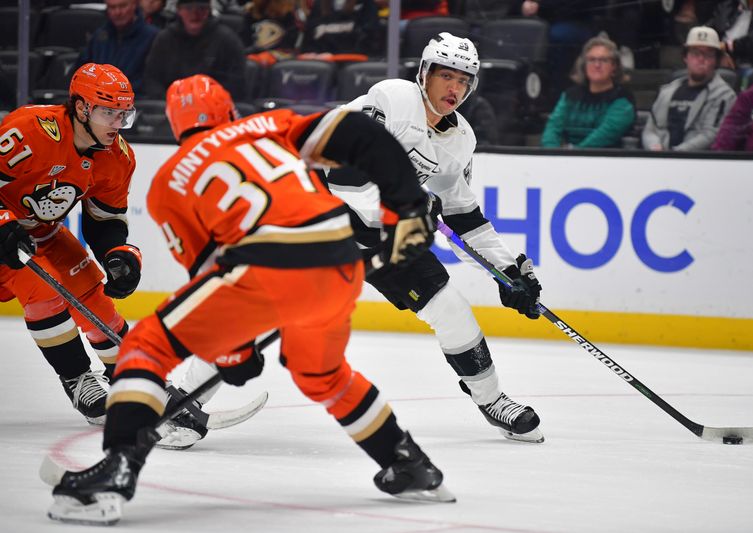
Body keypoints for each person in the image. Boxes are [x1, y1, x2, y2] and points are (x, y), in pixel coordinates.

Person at [46, 74, 452, 525]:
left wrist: (233, 349)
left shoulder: (168, 184)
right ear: (231, 113)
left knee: (145, 346)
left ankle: (114, 472)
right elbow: (361, 133)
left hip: (265, 263)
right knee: (322, 373)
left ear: (177, 128)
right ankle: (407, 462)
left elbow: (212, 275)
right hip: (338, 258)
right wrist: (408, 207)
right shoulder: (270, 125)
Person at [324, 33, 545, 443]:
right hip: (316, 222)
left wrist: (507, 269)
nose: (455, 88)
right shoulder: (391, 100)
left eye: (464, 80)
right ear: (424, 74)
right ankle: (183, 401)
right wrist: (406, 205)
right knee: (265, 312)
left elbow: (463, 213)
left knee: (452, 309)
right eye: (446, 76)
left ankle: (492, 399)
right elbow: (343, 176)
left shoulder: (461, 140)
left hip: (381, 238)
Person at [0, 63, 142, 425]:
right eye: (109, 112)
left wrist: (117, 254)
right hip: (5, 233)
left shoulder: (118, 157)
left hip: (40, 234)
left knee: (93, 296)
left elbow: (105, 220)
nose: (118, 123)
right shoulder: (29, 131)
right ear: (82, 108)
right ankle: (78, 379)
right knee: (44, 288)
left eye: (124, 114)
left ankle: (136, 379)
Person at [642, 26, 736, 152]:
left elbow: (711, 135)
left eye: (708, 54)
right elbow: (650, 129)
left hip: (698, 164)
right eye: (695, 53)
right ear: (686, 57)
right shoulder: (667, 91)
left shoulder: (725, 95)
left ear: (716, 60)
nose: (701, 59)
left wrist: (675, 154)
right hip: (659, 161)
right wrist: (654, 148)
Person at [540, 35, 635, 149]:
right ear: (584, 65)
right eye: (591, 59)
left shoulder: (623, 99)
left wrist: (574, 154)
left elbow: (604, 136)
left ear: (614, 66)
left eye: (603, 60)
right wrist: (552, 154)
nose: (597, 65)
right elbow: (553, 128)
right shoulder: (569, 95)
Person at [143, 0, 246, 99]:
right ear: (179, 11)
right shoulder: (165, 39)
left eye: (201, 8)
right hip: (171, 105)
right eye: (188, 9)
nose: (195, 14)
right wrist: (169, 100)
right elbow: (152, 78)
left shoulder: (227, 39)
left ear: (208, 10)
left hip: (214, 104)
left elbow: (236, 81)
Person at [77, 0, 160, 93]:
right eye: (112, 7)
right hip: (98, 99)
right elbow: (81, 72)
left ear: (134, 5)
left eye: (123, 6)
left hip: (134, 101)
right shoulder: (99, 37)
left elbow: (153, 81)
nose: (117, 12)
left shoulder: (153, 37)